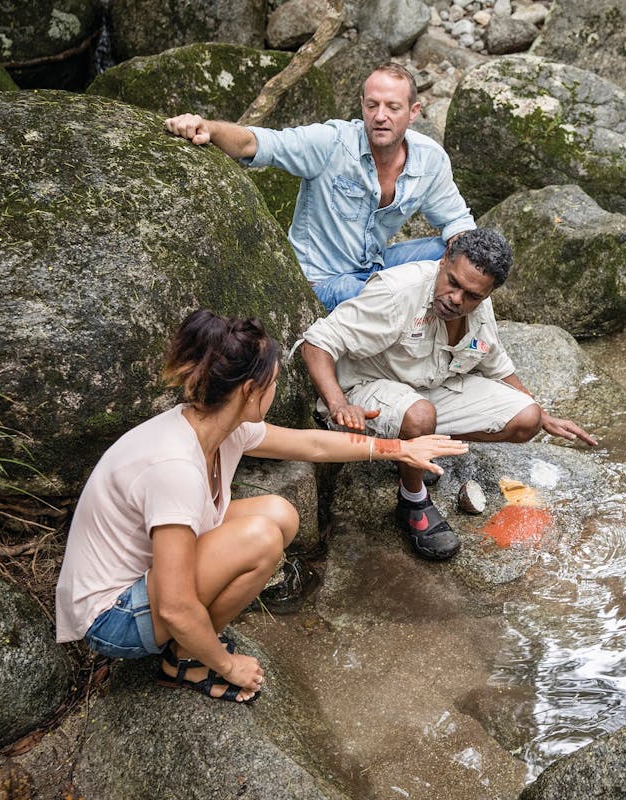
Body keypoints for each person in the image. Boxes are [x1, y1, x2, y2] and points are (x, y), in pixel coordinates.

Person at [55, 310, 467, 703]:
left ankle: (190, 646)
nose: (275, 389)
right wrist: (227, 664)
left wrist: (399, 448)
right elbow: (176, 607)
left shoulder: (218, 425)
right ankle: (185, 661)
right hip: (113, 617)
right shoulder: (175, 468)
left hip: (146, 576)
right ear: (250, 391)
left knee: (279, 514)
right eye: (271, 381)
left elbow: (313, 444)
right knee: (262, 540)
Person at [300, 228, 597, 562]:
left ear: (487, 293)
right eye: (453, 283)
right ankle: (413, 499)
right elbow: (316, 344)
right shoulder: (398, 291)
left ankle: (414, 445)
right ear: (443, 261)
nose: (457, 299)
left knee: (526, 419)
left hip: (426, 391)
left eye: (472, 295)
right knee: (420, 415)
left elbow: (497, 365)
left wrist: (543, 415)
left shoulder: (478, 307)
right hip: (362, 393)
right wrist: (339, 403)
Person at [163, 63, 475, 311]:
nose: (380, 116)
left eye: (393, 107)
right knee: (375, 296)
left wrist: (463, 263)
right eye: (372, 105)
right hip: (320, 283)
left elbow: (456, 221)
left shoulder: (429, 159)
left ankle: (463, 342)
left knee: (462, 254)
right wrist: (207, 127)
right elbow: (254, 143)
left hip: (374, 266)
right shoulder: (330, 143)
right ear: (362, 106)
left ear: (414, 111)